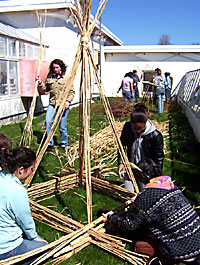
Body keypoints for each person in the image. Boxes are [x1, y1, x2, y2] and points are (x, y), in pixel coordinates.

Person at [103, 159, 200, 265]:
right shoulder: (172, 187)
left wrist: (110, 218)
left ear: (140, 177)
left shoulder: (145, 198)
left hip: (182, 254)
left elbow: (129, 224)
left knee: (141, 246)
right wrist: (139, 202)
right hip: (198, 242)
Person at [0, 146, 48, 264]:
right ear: (21, 169)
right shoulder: (16, 191)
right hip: (5, 248)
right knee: (47, 251)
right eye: (32, 169)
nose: (32, 172)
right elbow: (26, 222)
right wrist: (35, 238)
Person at [118, 103, 164, 192]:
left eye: (140, 128)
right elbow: (122, 146)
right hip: (130, 167)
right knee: (129, 194)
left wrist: (156, 175)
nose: (138, 131)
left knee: (144, 194)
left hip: (144, 170)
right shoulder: (127, 128)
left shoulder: (155, 136)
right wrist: (121, 162)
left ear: (145, 122)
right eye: (135, 128)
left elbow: (159, 158)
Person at [37, 59, 75, 151]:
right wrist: (41, 83)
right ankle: (50, 143)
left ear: (61, 67)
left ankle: (64, 143)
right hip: (53, 104)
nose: (55, 69)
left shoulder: (66, 78)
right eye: (54, 68)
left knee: (62, 126)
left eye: (57, 67)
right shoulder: (50, 77)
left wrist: (68, 101)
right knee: (48, 122)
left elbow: (72, 92)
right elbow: (46, 89)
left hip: (63, 105)